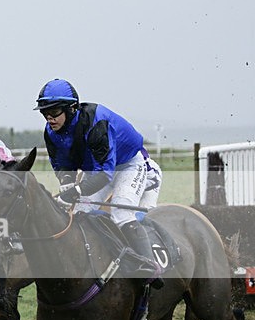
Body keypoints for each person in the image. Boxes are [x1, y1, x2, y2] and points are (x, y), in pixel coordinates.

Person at [34, 78, 164, 285]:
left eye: (55, 111)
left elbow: (104, 174)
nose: (50, 118)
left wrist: (76, 191)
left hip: (128, 165)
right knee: (79, 214)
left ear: (71, 109)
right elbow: (62, 166)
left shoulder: (96, 123)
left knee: (121, 213)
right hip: (98, 170)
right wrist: (67, 185)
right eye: (45, 113)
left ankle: (149, 267)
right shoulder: (51, 133)